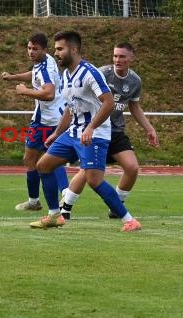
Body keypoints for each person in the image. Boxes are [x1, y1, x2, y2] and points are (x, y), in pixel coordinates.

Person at [30, 30, 142, 232]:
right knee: (43, 165)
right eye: (56, 49)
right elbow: (70, 108)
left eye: (60, 49)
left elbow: (108, 103)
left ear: (73, 49)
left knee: (94, 180)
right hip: (73, 132)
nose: (56, 53)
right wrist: (57, 133)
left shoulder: (90, 72)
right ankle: (55, 215)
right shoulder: (66, 75)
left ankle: (129, 220)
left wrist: (91, 127)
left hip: (95, 135)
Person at [60, 42, 159, 219]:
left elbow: (134, 106)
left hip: (116, 132)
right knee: (87, 172)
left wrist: (149, 129)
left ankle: (117, 206)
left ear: (131, 58)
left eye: (122, 56)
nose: (117, 60)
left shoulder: (135, 81)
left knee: (132, 167)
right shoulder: (101, 73)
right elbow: (78, 99)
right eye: (115, 56)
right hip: (96, 131)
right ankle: (65, 208)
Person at [0, 32, 69, 212]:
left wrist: (24, 91)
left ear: (44, 49)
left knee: (49, 161)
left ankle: (64, 197)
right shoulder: (45, 61)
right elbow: (34, 74)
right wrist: (13, 77)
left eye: (35, 49)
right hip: (45, 119)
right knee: (32, 158)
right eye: (29, 48)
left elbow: (48, 93)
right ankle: (35, 201)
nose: (31, 52)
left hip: (49, 121)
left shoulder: (46, 68)